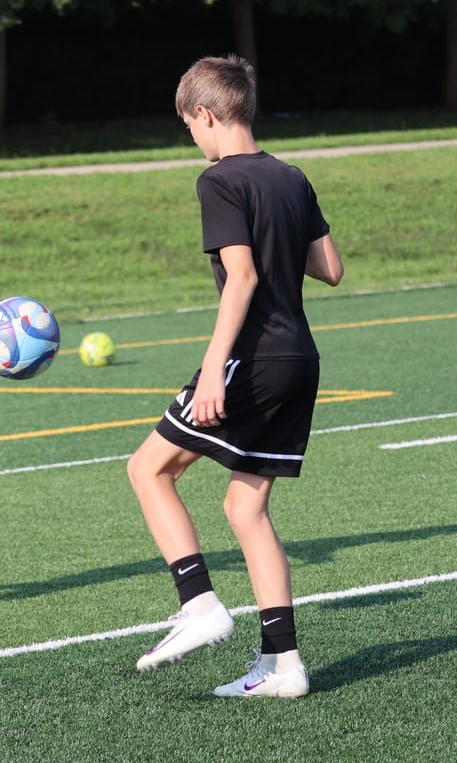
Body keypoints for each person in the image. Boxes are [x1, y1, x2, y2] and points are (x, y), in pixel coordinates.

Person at [127, 55, 343, 696]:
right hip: (300, 359)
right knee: (245, 506)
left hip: (251, 358)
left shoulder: (218, 181)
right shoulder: (291, 176)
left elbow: (243, 277)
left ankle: (198, 604)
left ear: (206, 114)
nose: (192, 140)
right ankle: (283, 665)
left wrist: (216, 370)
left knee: (148, 469)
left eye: (189, 128)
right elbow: (330, 267)